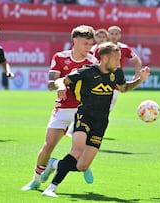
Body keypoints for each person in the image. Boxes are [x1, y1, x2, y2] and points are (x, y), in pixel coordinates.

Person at [41, 42, 150, 198]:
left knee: (83, 166)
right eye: (116, 58)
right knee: (77, 150)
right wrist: (60, 87)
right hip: (84, 116)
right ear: (105, 58)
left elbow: (124, 88)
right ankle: (51, 187)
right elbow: (61, 80)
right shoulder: (87, 72)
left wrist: (140, 80)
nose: (119, 62)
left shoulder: (117, 73)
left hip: (101, 122)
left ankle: (55, 164)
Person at [21, 25, 98, 191]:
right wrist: (60, 85)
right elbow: (50, 84)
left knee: (79, 149)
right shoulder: (60, 58)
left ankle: (78, 162)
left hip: (82, 110)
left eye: (90, 44)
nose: (88, 48)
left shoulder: (92, 62)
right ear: (75, 41)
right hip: (62, 109)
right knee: (48, 146)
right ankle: (35, 180)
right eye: (85, 44)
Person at [94, 25, 143, 111]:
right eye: (112, 34)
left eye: (116, 34)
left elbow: (137, 60)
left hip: (116, 83)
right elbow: (93, 63)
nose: (114, 36)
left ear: (120, 35)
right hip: (100, 82)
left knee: (108, 109)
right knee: (96, 108)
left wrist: (137, 74)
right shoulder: (101, 48)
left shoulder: (124, 48)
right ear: (108, 35)